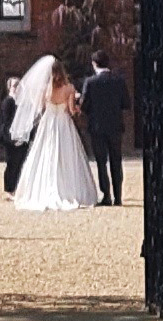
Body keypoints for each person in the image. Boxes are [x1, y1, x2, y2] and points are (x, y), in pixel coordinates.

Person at [8, 55, 101, 212]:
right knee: (67, 155)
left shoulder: (45, 90)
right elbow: (71, 110)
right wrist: (78, 109)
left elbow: (41, 108)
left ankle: (41, 188)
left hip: (48, 124)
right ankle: (69, 189)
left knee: (45, 153)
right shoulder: (69, 88)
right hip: (64, 124)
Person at [79, 49, 129, 206]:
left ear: (94, 64)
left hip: (97, 127)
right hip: (115, 126)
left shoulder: (91, 82)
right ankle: (118, 196)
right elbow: (126, 103)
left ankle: (106, 195)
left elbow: (84, 106)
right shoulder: (119, 80)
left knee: (101, 162)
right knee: (116, 160)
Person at [0, 76, 28, 199]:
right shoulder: (8, 102)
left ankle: (17, 187)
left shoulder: (23, 102)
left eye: (19, 85)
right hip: (10, 138)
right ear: (9, 87)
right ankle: (9, 189)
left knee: (20, 163)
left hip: (22, 138)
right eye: (14, 85)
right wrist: (12, 139)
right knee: (11, 164)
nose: (17, 88)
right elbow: (6, 122)